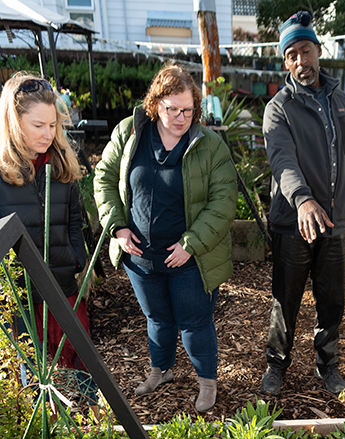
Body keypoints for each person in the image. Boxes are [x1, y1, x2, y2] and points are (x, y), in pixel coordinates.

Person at [94, 64, 237, 413]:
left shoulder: (210, 146)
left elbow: (223, 202)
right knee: (156, 319)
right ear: (155, 104)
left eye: (187, 110)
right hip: (140, 257)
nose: (180, 117)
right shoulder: (130, 133)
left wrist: (191, 245)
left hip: (190, 258)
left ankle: (207, 382)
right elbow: (103, 178)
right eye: (172, 108)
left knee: (194, 321)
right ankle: (161, 370)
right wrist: (117, 226)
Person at [261, 10, 345, 396]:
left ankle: (328, 365)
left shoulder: (342, 103)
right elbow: (282, 161)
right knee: (285, 301)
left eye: (304, 51)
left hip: (336, 224)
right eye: (290, 55)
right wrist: (303, 200)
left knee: (332, 302)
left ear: (318, 50)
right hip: (294, 225)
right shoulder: (279, 108)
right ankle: (277, 365)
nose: (299, 62)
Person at [0, 72, 98, 416]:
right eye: (38, 125)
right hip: (24, 302)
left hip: (64, 288)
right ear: (14, 122)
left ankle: (89, 433)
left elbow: (75, 220)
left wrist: (77, 256)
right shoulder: (2, 175)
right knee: (36, 385)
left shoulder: (59, 166)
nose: (48, 134)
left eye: (53, 125)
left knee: (81, 374)